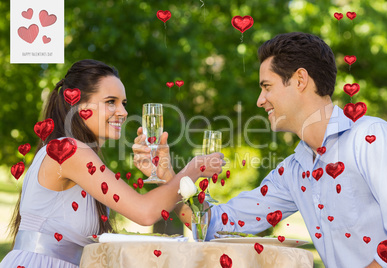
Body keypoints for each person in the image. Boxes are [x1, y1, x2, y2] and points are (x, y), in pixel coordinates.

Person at [135, 33, 387, 268]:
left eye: (267, 87)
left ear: (300, 80)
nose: (260, 100)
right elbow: (216, 223)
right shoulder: (294, 171)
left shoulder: (371, 138)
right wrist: (171, 178)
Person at [1, 59, 225, 268]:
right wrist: (194, 168)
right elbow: (145, 212)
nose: (124, 112)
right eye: (111, 102)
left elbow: (195, 223)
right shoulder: (69, 150)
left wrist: (165, 174)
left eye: (123, 103)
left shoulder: (75, 152)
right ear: (77, 105)